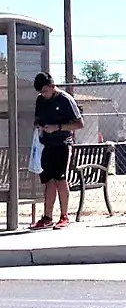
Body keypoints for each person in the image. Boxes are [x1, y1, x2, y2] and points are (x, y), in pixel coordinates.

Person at [30, 72, 84, 230]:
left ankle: (64, 216)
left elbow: (79, 124)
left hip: (62, 144)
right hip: (46, 145)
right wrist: (39, 126)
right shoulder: (40, 100)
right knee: (49, 181)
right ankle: (47, 217)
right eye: (41, 92)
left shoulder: (65, 99)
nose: (43, 95)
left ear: (53, 87)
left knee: (60, 179)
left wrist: (57, 128)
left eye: (45, 91)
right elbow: (37, 118)